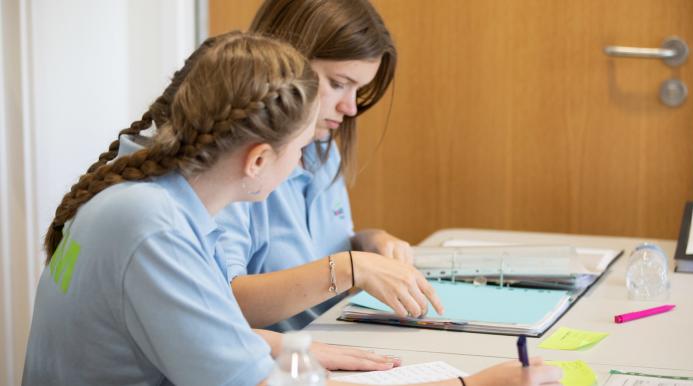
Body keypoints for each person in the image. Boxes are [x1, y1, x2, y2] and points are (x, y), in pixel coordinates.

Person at [23, 31, 562, 386]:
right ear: (258, 159)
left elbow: (170, 323)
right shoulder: (152, 229)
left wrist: (276, 345)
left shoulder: (144, 204)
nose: (305, 164)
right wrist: (473, 383)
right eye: (300, 151)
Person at [223, 0, 418, 332]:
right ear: (285, 61)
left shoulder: (322, 149)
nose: (351, 108)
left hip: (333, 343)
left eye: (359, 89)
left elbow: (320, 249)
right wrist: (350, 268)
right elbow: (219, 306)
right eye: (339, 83)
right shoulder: (230, 163)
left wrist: (369, 243)